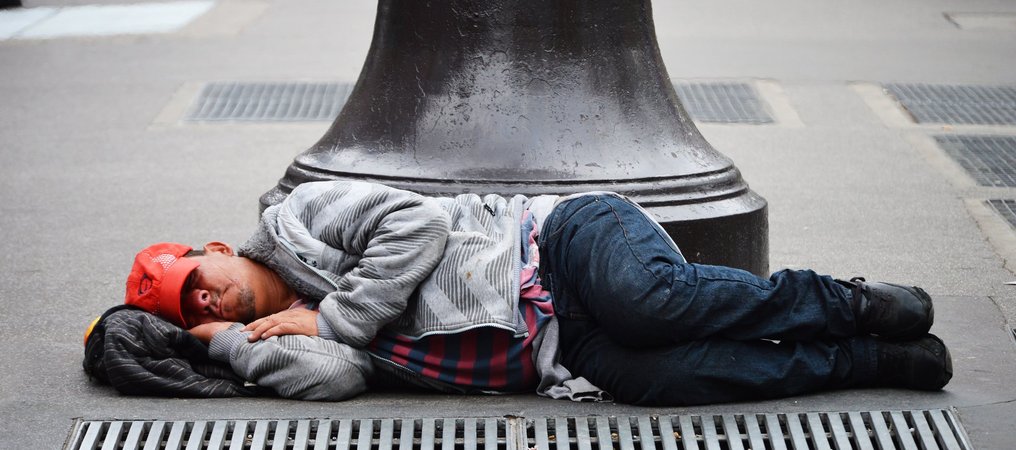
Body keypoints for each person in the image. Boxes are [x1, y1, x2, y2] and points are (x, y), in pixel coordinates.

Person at [120, 180, 952, 405]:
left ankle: (845, 303)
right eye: (187, 313)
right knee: (659, 382)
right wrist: (229, 350)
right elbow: (337, 380)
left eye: (198, 285)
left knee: (650, 304)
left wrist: (338, 313)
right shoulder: (278, 337)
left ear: (218, 251)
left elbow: (415, 225)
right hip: (560, 350)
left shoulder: (300, 218)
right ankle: (862, 359)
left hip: (558, 245)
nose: (204, 304)